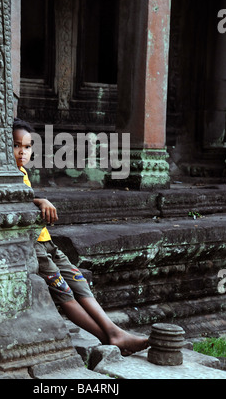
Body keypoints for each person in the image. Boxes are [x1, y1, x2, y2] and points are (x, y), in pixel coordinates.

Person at [13, 117, 149, 356]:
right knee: (64, 292)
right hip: (32, 245)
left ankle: (114, 332)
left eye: (27, 147)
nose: (22, 152)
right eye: (16, 145)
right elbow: (12, 201)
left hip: (46, 242)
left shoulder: (22, 171)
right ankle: (110, 335)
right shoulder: (5, 175)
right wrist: (40, 200)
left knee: (79, 282)